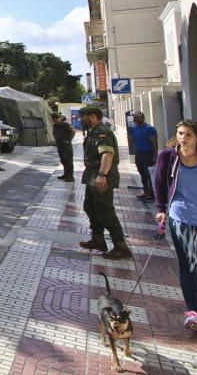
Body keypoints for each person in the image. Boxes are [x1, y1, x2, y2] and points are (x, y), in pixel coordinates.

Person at [153, 119, 197, 332]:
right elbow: (158, 183)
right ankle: (192, 311)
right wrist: (161, 208)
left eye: (188, 134)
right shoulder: (168, 157)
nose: (183, 138)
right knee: (189, 263)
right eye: (180, 133)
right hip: (180, 216)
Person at [77, 105, 131, 260]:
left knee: (105, 211)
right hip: (93, 176)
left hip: (101, 177)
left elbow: (107, 154)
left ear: (93, 116)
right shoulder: (94, 131)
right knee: (90, 207)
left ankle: (121, 247)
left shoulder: (102, 132)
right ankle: (98, 240)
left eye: (83, 116)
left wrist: (102, 175)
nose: (81, 119)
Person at [129, 111, 158, 202]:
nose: (135, 120)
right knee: (142, 174)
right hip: (139, 154)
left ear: (143, 118)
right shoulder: (135, 129)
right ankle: (145, 192)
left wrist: (155, 156)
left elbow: (154, 144)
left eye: (138, 118)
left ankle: (151, 195)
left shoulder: (150, 129)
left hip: (148, 154)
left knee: (148, 175)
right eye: (135, 118)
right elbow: (134, 140)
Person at [52, 113, 76, 182]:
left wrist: (69, 139)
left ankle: (70, 177)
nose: (56, 120)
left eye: (57, 118)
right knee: (63, 160)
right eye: (55, 119)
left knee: (68, 161)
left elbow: (73, 131)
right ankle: (65, 174)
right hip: (60, 145)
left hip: (66, 145)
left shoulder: (65, 124)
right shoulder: (55, 125)